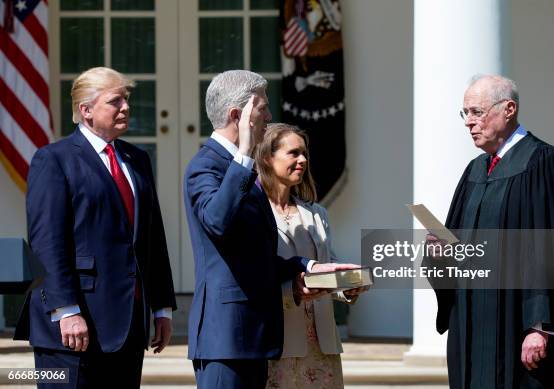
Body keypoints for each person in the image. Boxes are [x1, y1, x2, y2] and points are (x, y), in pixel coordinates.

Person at [183, 70, 356, 389]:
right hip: (226, 339)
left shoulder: (242, 172)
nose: (270, 116)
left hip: (255, 337)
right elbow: (217, 222)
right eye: (263, 109)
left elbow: (257, 256)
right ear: (239, 115)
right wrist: (245, 152)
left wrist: (309, 266)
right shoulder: (206, 166)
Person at [428, 74, 554, 388]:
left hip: (518, 329)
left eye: (477, 112)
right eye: (465, 113)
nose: (469, 122)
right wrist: (440, 254)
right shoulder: (474, 171)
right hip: (472, 326)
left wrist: (540, 326)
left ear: (508, 109)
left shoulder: (545, 164)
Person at [14, 67, 177, 388]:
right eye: (115, 101)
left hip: (128, 322)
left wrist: (161, 307)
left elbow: (151, 239)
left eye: (126, 99)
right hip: (71, 327)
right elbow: (47, 243)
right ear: (86, 110)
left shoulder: (137, 158)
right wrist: (66, 309)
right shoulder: (54, 159)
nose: (126, 107)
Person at [254, 123, 367, 389]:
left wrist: (347, 286)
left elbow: (326, 267)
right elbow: (255, 275)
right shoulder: (254, 213)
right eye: (293, 153)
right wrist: (290, 290)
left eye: (304, 153)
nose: (303, 160)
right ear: (268, 158)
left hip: (322, 343)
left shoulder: (317, 213)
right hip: (279, 341)